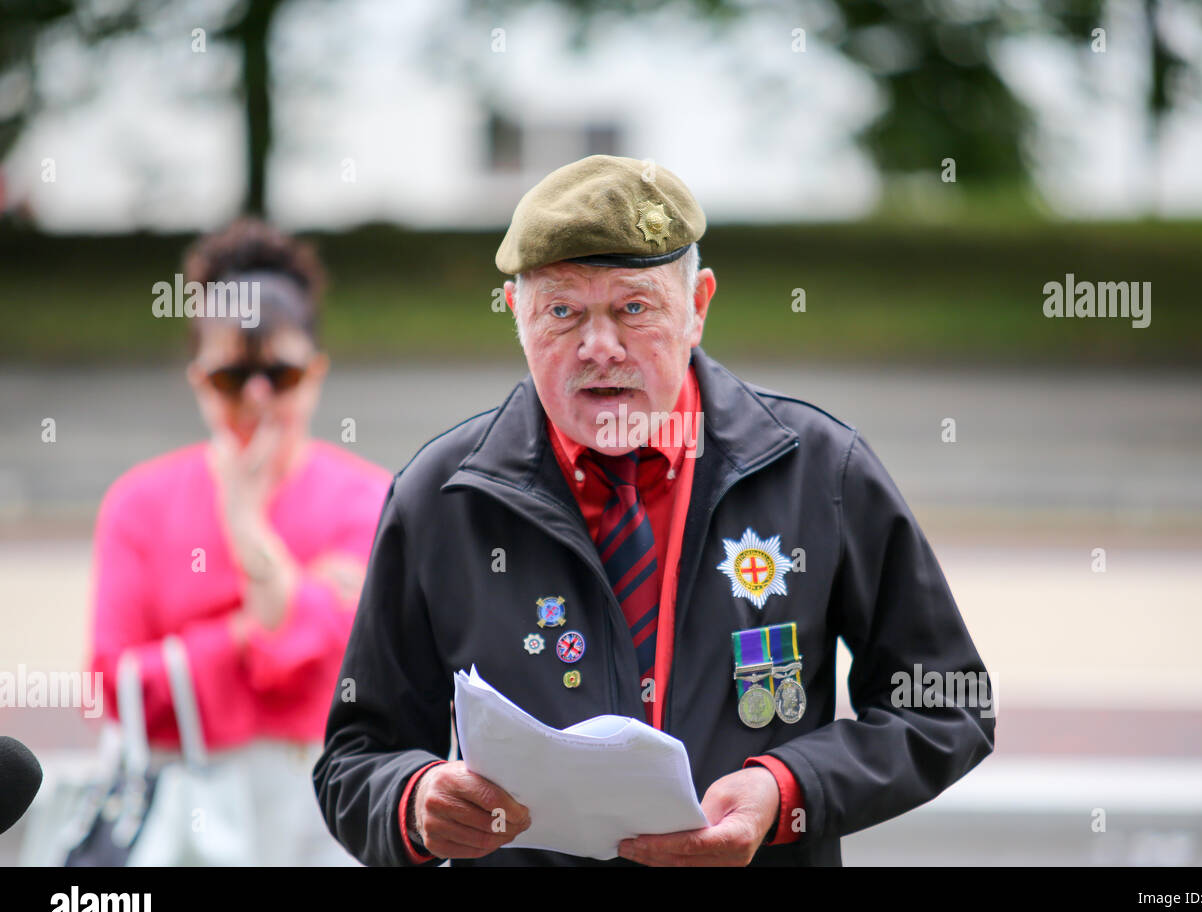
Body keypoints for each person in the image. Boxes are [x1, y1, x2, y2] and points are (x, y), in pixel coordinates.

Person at [313, 155, 995, 866]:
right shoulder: (441, 496)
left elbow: (947, 705)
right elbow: (354, 762)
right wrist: (415, 801)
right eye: (563, 312)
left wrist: (788, 791)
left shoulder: (819, 470)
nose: (599, 347)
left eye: (634, 309)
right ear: (517, 316)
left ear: (697, 307)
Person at [88, 218, 390, 865]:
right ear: (199, 379)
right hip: (184, 819)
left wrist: (248, 531)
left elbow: (352, 672)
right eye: (232, 377)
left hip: (326, 819)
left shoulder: (370, 500)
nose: (257, 398)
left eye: (279, 374)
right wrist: (250, 634)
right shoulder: (138, 504)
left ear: (315, 373)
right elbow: (115, 685)